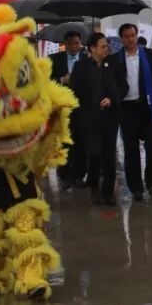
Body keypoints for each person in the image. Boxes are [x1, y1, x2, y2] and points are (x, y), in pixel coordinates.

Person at [107, 23, 152, 201]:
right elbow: (111, 85)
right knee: (131, 150)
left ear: (137, 36)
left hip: (148, 107)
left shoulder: (150, 56)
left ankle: (150, 182)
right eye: (126, 36)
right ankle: (135, 188)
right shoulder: (115, 60)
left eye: (133, 35)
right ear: (121, 39)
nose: (130, 39)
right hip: (127, 109)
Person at [70, 33, 122, 205]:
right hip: (90, 117)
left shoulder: (113, 65)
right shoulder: (81, 66)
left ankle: (108, 192)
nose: (106, 48)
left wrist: (112, 99)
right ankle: (93, 185)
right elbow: (74, 90)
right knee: (94, 154)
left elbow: (123, 86)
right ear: (92, 48)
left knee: (109, 156)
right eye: (102, 46)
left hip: (110, 116)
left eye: (107, 46)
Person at [50, 31, 87, 189]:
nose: (74, 46)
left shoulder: (86, 59)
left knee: (81, 142)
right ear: (65, 44)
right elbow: (47, 82)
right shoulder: (55, 60)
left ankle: (79, 175)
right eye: (71, 43)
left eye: (77, 43)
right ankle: (65, 175)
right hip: (63, 108)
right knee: (64, 142)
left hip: (82, 107)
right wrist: (62, 80)